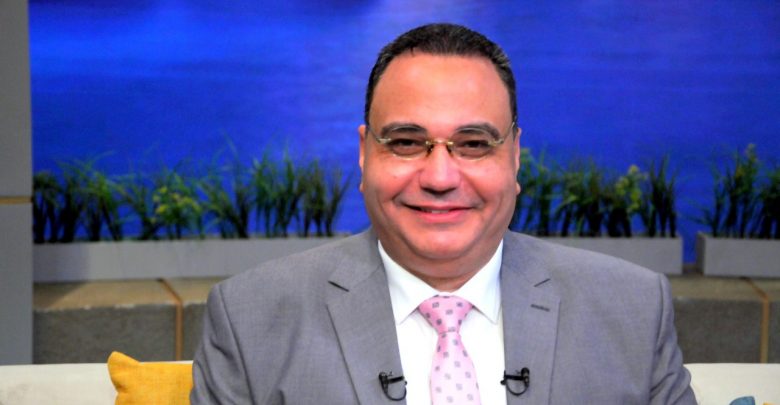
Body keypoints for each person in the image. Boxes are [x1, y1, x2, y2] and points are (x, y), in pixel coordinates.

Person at [191, 23, 695, 404]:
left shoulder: (633, 310)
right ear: (365, 154)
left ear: (515, 156)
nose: (439, 177)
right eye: (406, 142)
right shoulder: (250, 319)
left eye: (473, 144)